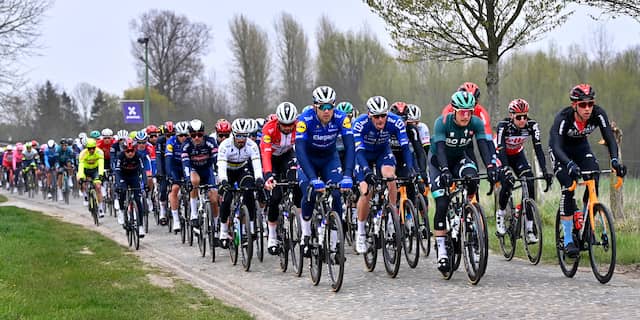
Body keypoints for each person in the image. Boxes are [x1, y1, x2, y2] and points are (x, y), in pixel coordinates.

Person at [548, 84, 626, 258]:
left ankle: (587, 222)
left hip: (581, 148)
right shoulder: (563, 118)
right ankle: (568, 238)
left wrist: (615, 161)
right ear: (574, 105)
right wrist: (568, 164)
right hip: (560, 151)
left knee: (594, 176)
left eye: (590, 104)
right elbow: (556, 146)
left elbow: (609, 139)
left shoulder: (598, 113)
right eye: (583, 105)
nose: (587, 108)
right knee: (569, 187)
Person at [429, 91, 499, 273]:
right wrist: (444, 171)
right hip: (439, 162)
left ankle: (469, 215)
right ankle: (442, 250)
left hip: (460, 158)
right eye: (462, 112)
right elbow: (442, 151)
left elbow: (483, 146)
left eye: (469, 111)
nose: (466, 115)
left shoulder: (475, 122)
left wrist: (491, 166)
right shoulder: (442, 122)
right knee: (442, 203)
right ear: (454, 110)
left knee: (473, 177)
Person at [295, 85, 355, 258]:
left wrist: (348, 174)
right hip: (308, 159)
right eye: (323, 107)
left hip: (330, 159)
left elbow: (350, 146)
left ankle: (335, 245)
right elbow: (299, 150)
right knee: (309, 192)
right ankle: (306, 234)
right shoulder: (305, 119)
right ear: (315, 106)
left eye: (330, 106)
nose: (327, 111)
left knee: (336, 195)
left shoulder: (342, 118)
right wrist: (313, 178)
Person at [352, 96, 416, 254]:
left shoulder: (396, 122)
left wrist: (409, 167)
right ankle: (360, 231)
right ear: (369, 115)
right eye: (376, 116)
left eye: (383, 116)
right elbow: (358, 152)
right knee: (366, 191)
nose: (380, 120)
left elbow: (405, 147)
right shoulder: (359, 124)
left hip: (382, 152)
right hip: (363, 155)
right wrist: (366, 171)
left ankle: (391, 215)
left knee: (390, 176)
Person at [495, 98, 553, 242]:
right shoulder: (503, 126)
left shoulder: (532, 126)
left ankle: (529, 228)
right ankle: (500, 215)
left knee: (530, 181)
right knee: (507, 183)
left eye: (525, 116)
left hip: (517, 155)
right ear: (511, 116)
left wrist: (545, 171)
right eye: (518, 117)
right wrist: (506, 168)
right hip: (501, 155)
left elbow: (538, 149)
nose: (522, 120)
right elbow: (501, 148)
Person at [217, 118, 264, 249]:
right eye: (238, 136)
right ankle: (223, 231)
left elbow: (256, 164)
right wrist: (224, 180)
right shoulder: (225, 145)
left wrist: (259, 178)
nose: (241, 139)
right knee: (226, 199)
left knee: (249, 191)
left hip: (242, 169)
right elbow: (221, 165)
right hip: (227, 170)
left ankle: (249, 227)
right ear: (233, 134)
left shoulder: (252, 145)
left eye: (244, 136)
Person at [262, 102, 299, 254]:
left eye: (291, 124)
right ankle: (272, 236)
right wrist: (268, 175)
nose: (288, 128)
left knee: (296, 183)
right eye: (284, 124)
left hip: (288, 156)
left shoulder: (299, 126)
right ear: (278, 122)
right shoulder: (268, 128)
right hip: (272, 159)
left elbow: (301, 149)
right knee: (275, 197)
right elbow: (265, 154)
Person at [181, 119, 219, 231]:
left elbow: (216, 160)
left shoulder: (210, 142)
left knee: (214, 199)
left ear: (203, 133)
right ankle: (193, 214)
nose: (196, 138)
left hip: (207, 170)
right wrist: (187, 179)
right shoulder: (186, 145)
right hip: (194, 169)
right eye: (193, 135)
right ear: (189, 135)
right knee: (194, 181)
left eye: (199, 135)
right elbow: (186, 164)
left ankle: (216, 225)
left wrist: (218, 176)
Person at [114, 138, 148, 237]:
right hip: (123, 177)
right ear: (124, 150)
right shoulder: (120, 157)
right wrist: (119, 184)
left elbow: (143, 171)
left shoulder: (139, 156)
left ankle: (140, 226)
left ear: (135, 150)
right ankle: (121, 210)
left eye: (132, 151)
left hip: (134, 177)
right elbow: (117, 172)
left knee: (138, 200)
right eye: (127, 151)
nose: (130, 153)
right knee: (122, 192)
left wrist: (145, 183)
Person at [166, 121, 191, 232]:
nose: (184, 138)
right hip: (175, 167)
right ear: (176, 135)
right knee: (175, 188)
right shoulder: (171, 142)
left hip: (188, 166)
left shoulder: (191, 142)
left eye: (186, 135)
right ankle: (176, 218)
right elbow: (168, 159)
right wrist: (169, 174)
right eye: (181, 135)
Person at [77, 138, 105, 216]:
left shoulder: (99, 152)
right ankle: (85, 197)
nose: (92, 150)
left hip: (95, 170)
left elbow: (101, 164)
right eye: (90, 149)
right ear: (87, 148)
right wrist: (82, 177)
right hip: (85, 170)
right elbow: (81, 166)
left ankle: (100, 208)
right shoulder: (83, 153)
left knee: (98, 187)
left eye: (93, 148)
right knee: (79, 179)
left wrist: (100, 174)